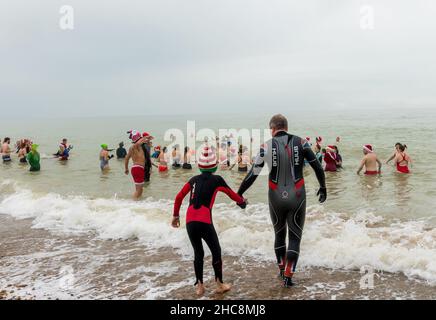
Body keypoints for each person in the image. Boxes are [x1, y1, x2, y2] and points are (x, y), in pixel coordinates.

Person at [237, 114, 327, 287]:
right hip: (297, 195)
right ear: (286, 126)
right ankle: (288, 277)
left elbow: (253, 173)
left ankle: (281, 269)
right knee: (294, 237)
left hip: (275, 195)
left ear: (272, 129)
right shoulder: (301, 143)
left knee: (279, 234)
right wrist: (323, 187)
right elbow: (317, 166)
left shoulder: (266, 146)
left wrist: (239, 193)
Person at [172, 144, 247, 296]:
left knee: (198, 253)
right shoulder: (217, 180)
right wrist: (242, 202)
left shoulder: (193, 179)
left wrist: (175, 216)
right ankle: (219, 284)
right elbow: (231, 194)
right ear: (214, 167)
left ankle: (200, 286)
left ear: (200, 166)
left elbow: (179, 197)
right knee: (216, 251)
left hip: (189, 221)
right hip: (205, 221)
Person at [124, 130, 147, 200]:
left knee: (140, 189)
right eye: (140, 138)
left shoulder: (133, 148)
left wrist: (126, 169)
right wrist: (146, 137)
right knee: (139, 190)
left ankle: (137, 202)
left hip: (137, 168)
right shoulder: (135, 146)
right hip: (138, 168)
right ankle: (132, 203)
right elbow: (138, 143)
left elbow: (126, 159)